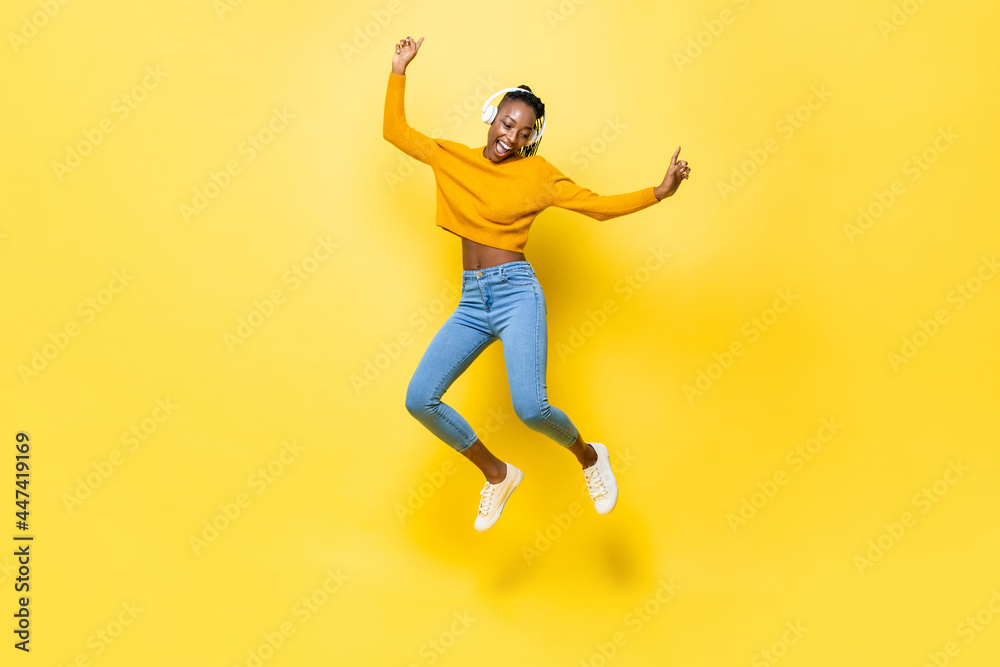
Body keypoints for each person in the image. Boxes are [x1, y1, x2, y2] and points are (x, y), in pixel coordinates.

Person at [383, 35, 690, 531]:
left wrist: (659, 192)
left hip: (515, 293)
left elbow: (596, 206)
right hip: (472, 300)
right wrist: (399, 69)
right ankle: (497, 474)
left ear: (532, 137)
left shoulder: (538, 175)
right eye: (507, 122)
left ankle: (590, 458)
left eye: (524, 131)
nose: (511, 136)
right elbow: (395, 131)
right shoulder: (452, 158)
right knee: (420, 399)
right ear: (491, 116)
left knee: (530, 408)